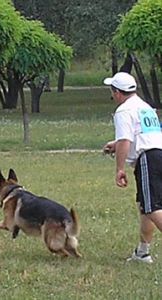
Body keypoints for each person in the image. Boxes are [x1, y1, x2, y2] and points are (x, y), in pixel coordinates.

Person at [103, 72, 162, 263]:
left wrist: (119, 169)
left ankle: (143, 252)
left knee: (152, 207)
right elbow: (141, 134)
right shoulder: (145, 107)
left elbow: (126, 140)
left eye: (112, 91)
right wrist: (116, 143)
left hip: (148, 159)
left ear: (118, 93)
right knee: (145, 207)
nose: (112, 96)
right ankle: (143, 252)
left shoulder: (123, 111)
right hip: (158, 154)